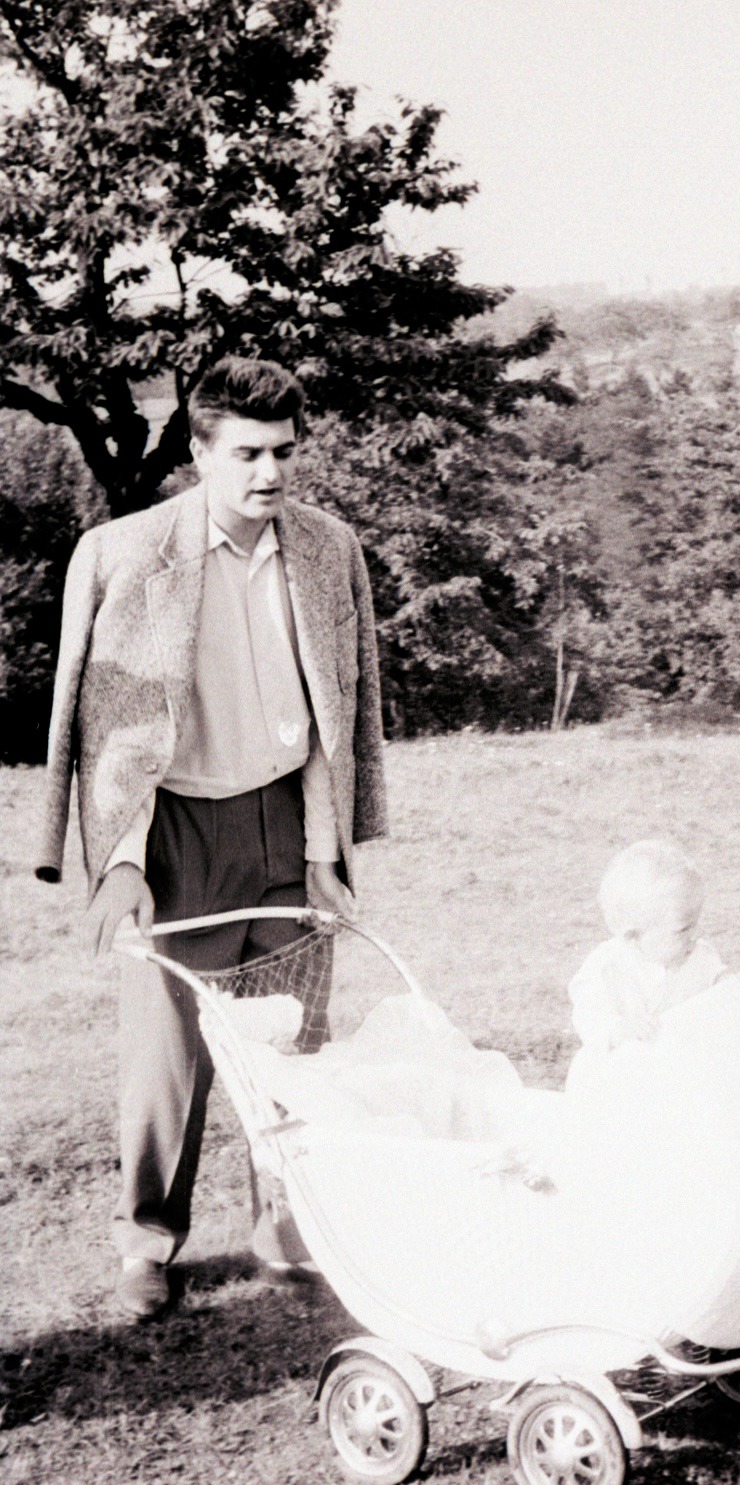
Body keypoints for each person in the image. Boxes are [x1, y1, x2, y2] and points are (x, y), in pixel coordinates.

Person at [35, 357, 387, 1320]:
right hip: (175, 832)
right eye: (246, 453)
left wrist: (325, 849)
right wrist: (117, 861)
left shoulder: (327, 549)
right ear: (198, 453)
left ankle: (286, 1221)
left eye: (283, 452)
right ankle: (148, 1240)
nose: (268, 473)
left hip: (287, 818)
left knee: (292, 1043)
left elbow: (341, 712)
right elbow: (99, 724)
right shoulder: (121, 554)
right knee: (168, 1054)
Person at [568, 840, 725, 1058]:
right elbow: (589, 1014)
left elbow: (721, 991)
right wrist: (618, 1029)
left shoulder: (701, 958)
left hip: (686, 1068)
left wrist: (735, 985)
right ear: (633, 936)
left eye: (695, 923)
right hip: (628, 1072)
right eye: (683, 929)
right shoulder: (607, 967)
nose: (696, 935)